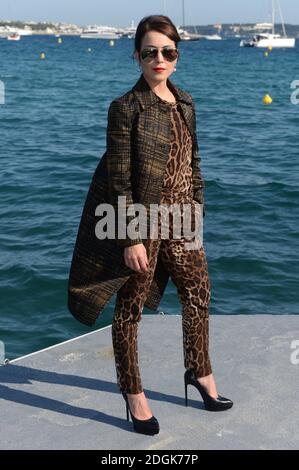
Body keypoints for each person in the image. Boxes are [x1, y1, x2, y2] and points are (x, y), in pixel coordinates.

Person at [67, 14, 233, 437]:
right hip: (145, 221)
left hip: (182, 222)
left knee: (199, 293)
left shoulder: (186, 102)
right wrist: (131, 237)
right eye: (150, 52)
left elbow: (194, 166)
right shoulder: (127, 108)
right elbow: (119, 179)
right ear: (136, 56)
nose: (159, 59)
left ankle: (200, 373)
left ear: (178, 56)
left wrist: (197, 211)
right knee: (131, 308)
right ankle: (133, 393)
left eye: (168, 51)